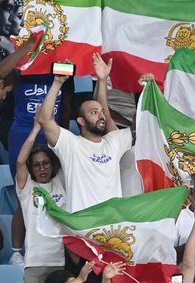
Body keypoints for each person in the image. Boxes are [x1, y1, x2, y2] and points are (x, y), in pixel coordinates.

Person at [36, 55, 130, 211]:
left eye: (101, 112)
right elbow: (45, 120)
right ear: (81, 121)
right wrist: (57, 83)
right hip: (82, 224)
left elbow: (148, 124)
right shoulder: (71, 144)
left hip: (112, 224)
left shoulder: (114, 142)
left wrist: (102, 80)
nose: (101, 115)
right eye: (94, 113)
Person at [14, 121, 65, 283]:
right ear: (31, 169)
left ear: (52, 165)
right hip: (35, 262)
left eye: (45, 163)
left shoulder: (62, 182)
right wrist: (36, 129)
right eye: (36, 165)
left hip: (60, 261)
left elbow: (65, 153)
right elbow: (20, 161)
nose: (42, 168)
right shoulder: (27, 188)